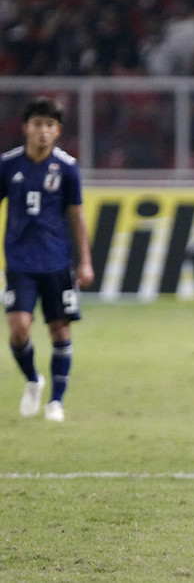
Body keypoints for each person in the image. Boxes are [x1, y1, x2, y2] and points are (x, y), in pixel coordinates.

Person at [2, 97, 94, 422]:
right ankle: (32, 380)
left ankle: (56, 401)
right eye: (37, 124)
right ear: (26, 127)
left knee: (60, 330)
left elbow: (77, 216)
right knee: (19, 328)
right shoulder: (8, 165)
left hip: (56, 263)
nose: (43, 131)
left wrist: (84, 260)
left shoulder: (67, 168)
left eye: (49, 126)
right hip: (19, 263)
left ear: (57, 131)